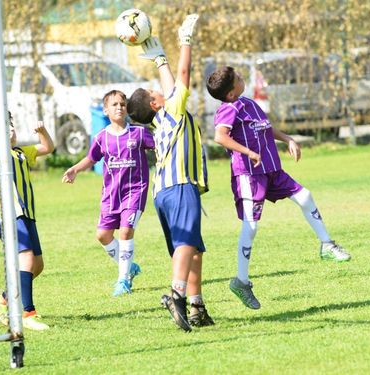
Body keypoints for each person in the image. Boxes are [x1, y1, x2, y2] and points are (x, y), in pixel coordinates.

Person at [206, 66, 351, 310]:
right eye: (238, 78)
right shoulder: (228, 108)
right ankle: (241, 281)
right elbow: (220, 137)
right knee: (250, 228)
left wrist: (288, 139)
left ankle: (327, 245)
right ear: (230, 93)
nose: (243, 78)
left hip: (273, 170)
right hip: (250, 175)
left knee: (305, 196)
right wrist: (247, 151)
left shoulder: (249, 103)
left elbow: (265, 127)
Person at [126, 14, 212, 332]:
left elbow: (171, 87)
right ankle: (176, 295)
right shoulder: (171, 111)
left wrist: (161, 58)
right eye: (156, 91)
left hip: (164, 192)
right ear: (154, 101)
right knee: (187, 244)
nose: (163, 90)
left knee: (192, 249)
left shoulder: (162, 118)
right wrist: (184, 41)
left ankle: (196, 306)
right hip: (179, 187)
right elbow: (184, 76)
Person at [62, 90, 153, 296]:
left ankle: (123, 280)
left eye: (122, 104)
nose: (119, 107)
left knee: (125, 231)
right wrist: (75, 169)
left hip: (134, 192)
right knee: (103, 235)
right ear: (105, 110)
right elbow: (91, 158)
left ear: (127, 108)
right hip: (111, 195)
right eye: (114, 104)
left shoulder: (138, 133)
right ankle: (129, 266)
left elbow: (160, 146)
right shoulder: (102, 137)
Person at [0, 111, 54, 330]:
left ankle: (3, 300)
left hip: (27, 213)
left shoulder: (20, 152)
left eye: (11, 124)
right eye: (4, 126)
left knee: (37, 265)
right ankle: (28, 312)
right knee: (26, 258)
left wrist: (42, 131)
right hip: (10, 213)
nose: (11, 129)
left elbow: (48, 148)